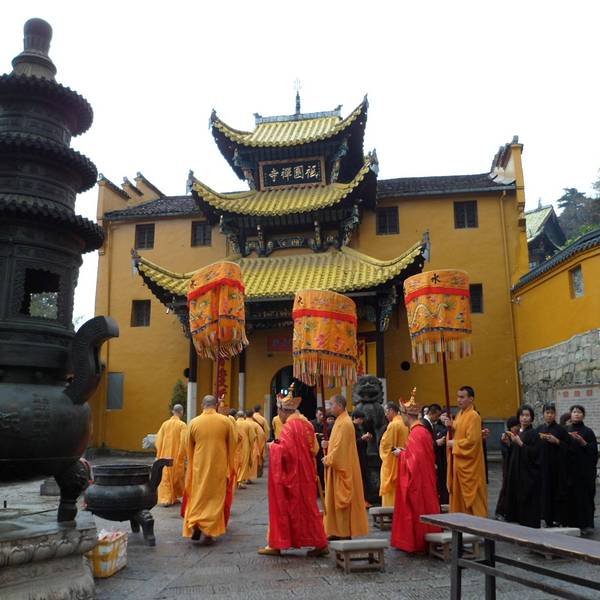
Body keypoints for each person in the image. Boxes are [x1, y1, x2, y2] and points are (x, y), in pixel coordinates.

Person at [258, 389, 328, 557]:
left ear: (284, 411)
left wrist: (272, 447)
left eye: (278, 411)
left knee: (283, 509)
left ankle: (278, 543)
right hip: (307, 474)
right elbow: (314, 449)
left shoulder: (289, 427)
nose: (278, 414)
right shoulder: (307, 424)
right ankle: (320, 543)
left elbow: (284, 452)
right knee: (309, 509)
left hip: (292, 476)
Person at [390, 392, 441, 553]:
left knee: (416, 511)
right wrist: (406, 452)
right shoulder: (420, 431)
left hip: (418, 483)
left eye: (401, 414)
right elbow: (418, 456)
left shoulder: (416, 433)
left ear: (406, 415)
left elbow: (414, 463)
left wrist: (401, 455)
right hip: (425, 479)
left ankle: (417, 541)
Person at [182, 395, 236, 544]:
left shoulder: (194, 423)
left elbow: (188, 447)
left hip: (199, 466)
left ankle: (196, 522)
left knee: (199, 495)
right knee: (215, 498)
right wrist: (230, 467)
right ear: (216, 405)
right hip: (219, 466)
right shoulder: (225, 421)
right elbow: (232, 445)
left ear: (202, 405)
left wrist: (190, 467)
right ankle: (209, 532)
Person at [322, 395, 369, 539]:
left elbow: (341, 449)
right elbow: (337, 444)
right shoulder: (340, 421)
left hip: (342, 468)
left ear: (339, 405)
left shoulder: (345, 423)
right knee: (334, 501)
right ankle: (336, 531)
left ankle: (343, 532)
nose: (330, 407)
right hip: (337, 468)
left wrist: (328, 458)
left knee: (341, 501)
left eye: (331, 404)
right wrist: (328, 445)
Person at [445, 386, 488, 517]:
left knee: (473, 497)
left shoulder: (474, 416)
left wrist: (455, 443)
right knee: (458, 496)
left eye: (462, 397)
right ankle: (460, 522)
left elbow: (472, 442)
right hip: (459, 464)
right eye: (458, 397)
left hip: (470, 466)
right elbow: (459, 430)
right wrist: (451, 426)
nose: (459, 400)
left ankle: (479, 525)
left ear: (471, 399)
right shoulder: (460, 415)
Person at [505, 404, 541, 528]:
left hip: (528, 474)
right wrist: (509, 443)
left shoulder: (534, 433)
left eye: (527, 415)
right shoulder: (519, 432)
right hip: (517, 472)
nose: (524, 418)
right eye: (522, 415)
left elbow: (536, 453)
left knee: (527, 502)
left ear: (532, 418)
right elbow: (515, 453)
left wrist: (521, 444)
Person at [536, 403, 571, 527]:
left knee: (557, 492)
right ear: (543, 414)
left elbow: (569, 448)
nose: (549, 415)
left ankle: (558, 518)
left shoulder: (561, 430)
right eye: (547, 413)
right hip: (543, 466)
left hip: (557, 468)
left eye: (552, 413)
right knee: (544, 492)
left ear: (555, 414)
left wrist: (557, 441)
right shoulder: (539, 429)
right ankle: (545, 518)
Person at [566, 404, 598, 534]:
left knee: (585, 498)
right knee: (571, 497)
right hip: (570, 470)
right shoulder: (566, 430)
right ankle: (571, 523)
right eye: (574, 412)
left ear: (583, 415)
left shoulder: (588, 432)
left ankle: (586, 524)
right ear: (570, 414)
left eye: (579, 412)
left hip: (584, 472)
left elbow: (594, 451)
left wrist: (583, 442)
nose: (576, 414)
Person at [155, 404, 187, 506]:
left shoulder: (165, 424)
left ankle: (168, 498)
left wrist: (159, 453)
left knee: (165, 476)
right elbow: (184, 442)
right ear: (181, 412)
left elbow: (158, 440)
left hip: (164, 455)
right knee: (176, 476)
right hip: (176, 456)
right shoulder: (182, 425)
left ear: (173, 411)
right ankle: (168, 498)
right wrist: (182, 455)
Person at [379, 401, 409, 507]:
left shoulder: (393, 425)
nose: (385, 414)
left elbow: (386, 446)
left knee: (392, 492)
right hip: (404, 460)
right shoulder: (404, 424)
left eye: (386, 411)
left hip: (393, 462)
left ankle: (390, 511)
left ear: (391, 410)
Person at [495, 415, 519, 520]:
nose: (516, 428)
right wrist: (509, 444)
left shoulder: (519, 435)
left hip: (516, 465)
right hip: (507, 465)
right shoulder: (505, 436)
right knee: (505, 487)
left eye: (517, 426)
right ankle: (499, 511)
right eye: (514, 426)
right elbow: (505, 452)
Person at [427, 404, 449, 505]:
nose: (444, 417)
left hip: (445, 459)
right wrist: (436, 443)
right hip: (437, 458)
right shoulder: (431, 426)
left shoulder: (449, 428)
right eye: (442, 415)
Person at [352, 409, 375, 505]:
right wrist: (362, 438)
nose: (361, 421)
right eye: (360, 419)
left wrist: (366, 438)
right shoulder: (351, 428)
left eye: (362, 419)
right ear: (355, 418)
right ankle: (362, 500)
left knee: (365, 478)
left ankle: (365, 499)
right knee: (361, 478)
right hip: (357, 457)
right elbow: (352, 443)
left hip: (362, 455)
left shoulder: (359, 428)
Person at [235, 410, 256, 488]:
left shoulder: (234, 423)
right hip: (245, 446)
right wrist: (251, 445)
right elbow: (252, 437)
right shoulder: (247, 424)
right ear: (244, 416)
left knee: (236, 463)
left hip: (235, 446)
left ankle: (235, 480)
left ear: (237, 416)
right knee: (244, 463)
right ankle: (240, 481)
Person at [247, 409, 266, 479]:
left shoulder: (240, 423)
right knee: (252, 461)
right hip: (254, 445)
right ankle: (249, 477)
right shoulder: (256, 424)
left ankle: (243, 478)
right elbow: (262, 434)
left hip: (242, 446)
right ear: (252, 415)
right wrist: (261, 446)